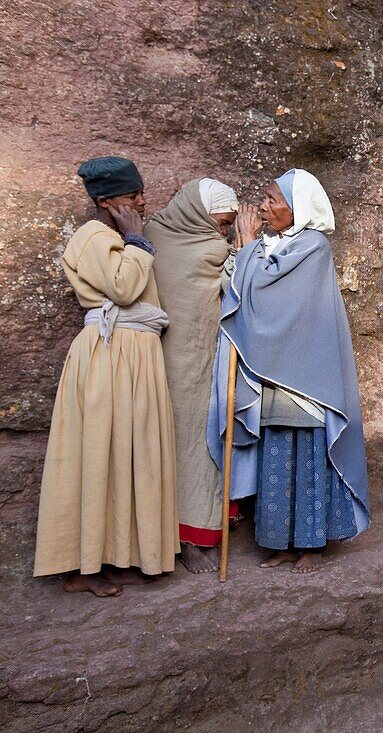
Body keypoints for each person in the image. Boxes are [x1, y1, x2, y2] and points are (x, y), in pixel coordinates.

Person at [207, 169, 369, 573]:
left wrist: (244, 249)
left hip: (307, 378)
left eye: (272, 200)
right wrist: (250, 249)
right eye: (264, 198)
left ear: (297, 209)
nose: (263, 206)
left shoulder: (313, 247)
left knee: (310, 459)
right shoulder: (271, 246)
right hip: (274, 374)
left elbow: (268, 295)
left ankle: (311, 547)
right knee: (276, 457)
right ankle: (279, 542)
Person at [34, 156, 178, 596]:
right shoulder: (94, 236)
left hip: (131, 358)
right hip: (108, 357)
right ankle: (82, 570)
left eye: (140, 192)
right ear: (104, 201)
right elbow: (123, 288)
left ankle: (115, 556)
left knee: (127, 455)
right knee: (98, 454)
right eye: (132, 195)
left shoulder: (111, 237)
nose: (140, 201)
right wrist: (136, 239)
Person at [146, 178, 239, 573]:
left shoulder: (218, 249)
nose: (223, 232)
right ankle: (160, 535)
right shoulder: (150, 236)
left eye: (227, 225)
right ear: (196, 212)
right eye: (220, 223)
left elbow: (238, 289)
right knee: (158, 444)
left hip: (202, 366)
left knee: (200, 446)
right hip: (152, 363)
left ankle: (196, 533)